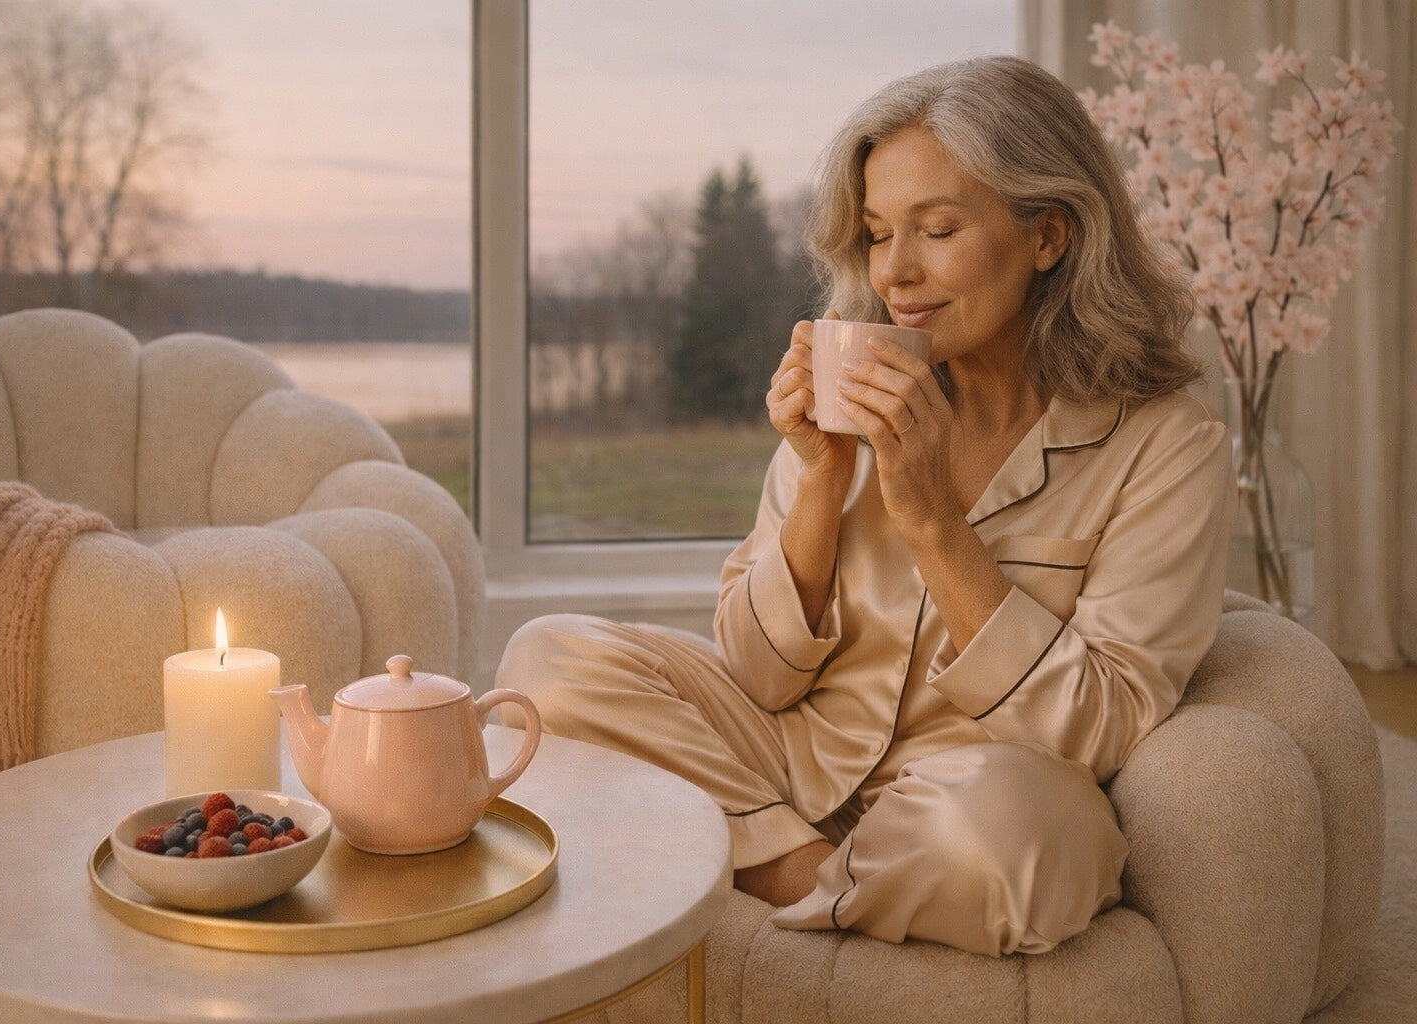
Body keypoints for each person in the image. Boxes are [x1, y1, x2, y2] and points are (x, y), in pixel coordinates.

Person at [494, 54, 1232, 956]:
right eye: (879, 234)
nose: (896, 273)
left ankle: (740, 864)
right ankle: (803, 877)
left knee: (1021, 846)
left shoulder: (1167, 443)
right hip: (790, 755)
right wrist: (819, 477)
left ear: (1051, 236)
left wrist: (930, 523)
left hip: (972, 791)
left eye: (938, 229)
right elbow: (759, 680)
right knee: (546, 661)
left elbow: (1101, 729)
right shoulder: (861, 390)